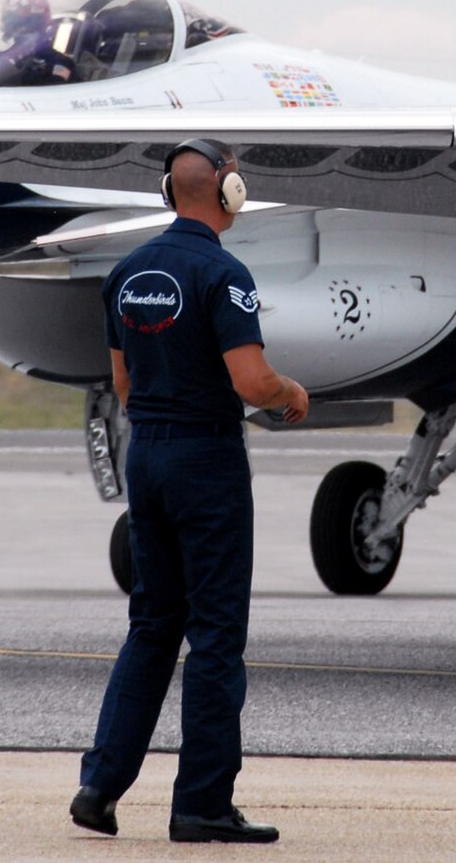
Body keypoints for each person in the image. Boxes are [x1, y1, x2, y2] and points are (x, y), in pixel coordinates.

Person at [71, 139, 309, 844]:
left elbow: (122, 385)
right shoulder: (224, 274)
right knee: (214, 636)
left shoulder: (126, 272)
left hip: (147, 453)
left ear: (168, 191)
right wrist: (293, 394)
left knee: (152, 623)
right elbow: (253, 383)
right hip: (206, 460)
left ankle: (100, 785)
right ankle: (202, 801)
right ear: (227, 191)